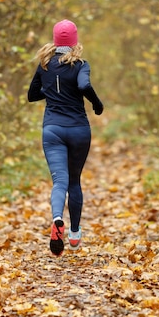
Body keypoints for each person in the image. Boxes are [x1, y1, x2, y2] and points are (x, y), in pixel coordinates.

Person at [27, 19, 104, 256]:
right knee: (74, 182)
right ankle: (74, 234)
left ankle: (57, 218)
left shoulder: (45, 66)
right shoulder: (81, 64)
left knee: (59, 181)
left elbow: (32, 95)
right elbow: (83, 85)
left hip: (53, 130)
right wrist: (97, 103)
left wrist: (50, 90)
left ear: (55, 40)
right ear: (74, 41)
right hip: (79, 130)